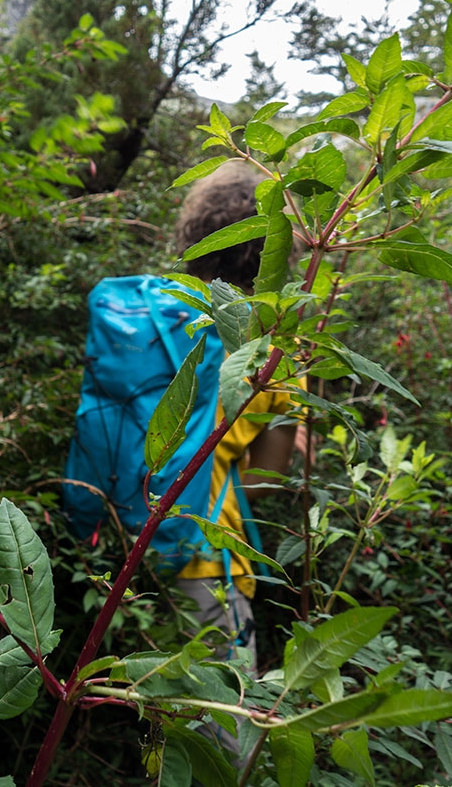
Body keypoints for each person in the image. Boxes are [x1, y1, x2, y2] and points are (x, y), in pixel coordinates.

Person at [173, 159, 301, 675]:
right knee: (219, 731)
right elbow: (261, 486)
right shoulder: (271, 350)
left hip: (108, 539)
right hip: (201, 559)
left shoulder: (150, 306)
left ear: (196, 228)